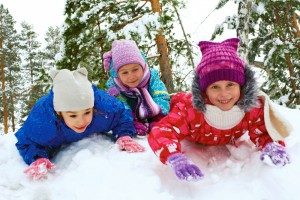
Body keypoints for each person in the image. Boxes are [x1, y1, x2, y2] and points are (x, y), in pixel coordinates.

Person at [147, 38, 293, 181]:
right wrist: (174, 156)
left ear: (241, 86)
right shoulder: (189, 109)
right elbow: (163, 130)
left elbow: (262, 131)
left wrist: (270, 145)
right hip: (191, 128)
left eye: (230, 85)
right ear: (204, 91)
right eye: (215, 87)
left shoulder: (251, 108)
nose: (224, 94)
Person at [15, 68, 145, 180]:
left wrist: (124, 134)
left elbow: (122, 114)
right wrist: (38, 157)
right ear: (59, 113)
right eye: (72, 115)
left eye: (87, 112)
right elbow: (27, 140)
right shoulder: (45, 123)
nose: (81, 121)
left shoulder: (103, 109)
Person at [103, 39, 170, 137]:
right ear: (117, 74)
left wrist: (159, 114)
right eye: (125, 72)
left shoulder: (151, 77)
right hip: (131, 116)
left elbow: (161, 95)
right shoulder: (115, 88)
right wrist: (132, 121)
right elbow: (120, 106)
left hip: (156, 112)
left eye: (135, 69)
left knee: (163, 121)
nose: (131, 76)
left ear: (142, 66)